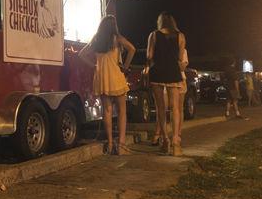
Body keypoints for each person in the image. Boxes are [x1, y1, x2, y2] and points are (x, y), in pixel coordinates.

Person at [79, 15, 135, 155]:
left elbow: (81, 54)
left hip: (102, 78)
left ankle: (110, 144)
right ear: (113, 26)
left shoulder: (96, 39)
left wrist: (94, 65)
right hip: (116, 76)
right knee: (122, 110)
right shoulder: (116, 38)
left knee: (107, 111)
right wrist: (126, 66)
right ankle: (121, 145)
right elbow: (132, 49)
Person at [147, 12, 187, 156]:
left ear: (160, 22)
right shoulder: (180, 36)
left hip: (157, 72)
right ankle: (176, 141)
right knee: (175, 107)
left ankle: (165, 140)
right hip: (173, 72)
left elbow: (149, 55)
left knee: (160, 109)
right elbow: (180, 57)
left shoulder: (153, 35)